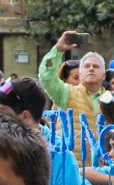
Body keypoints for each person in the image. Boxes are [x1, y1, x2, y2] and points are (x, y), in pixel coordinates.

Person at [39, 30, 109, 160]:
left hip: (102, 170)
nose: (91, 69)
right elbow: (46, 77)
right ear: (80, 74)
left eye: (96, 66)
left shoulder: (111, 99)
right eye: (87, 66)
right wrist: (58, 50)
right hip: (72, 167)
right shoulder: (66, 92)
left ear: (104, 75)